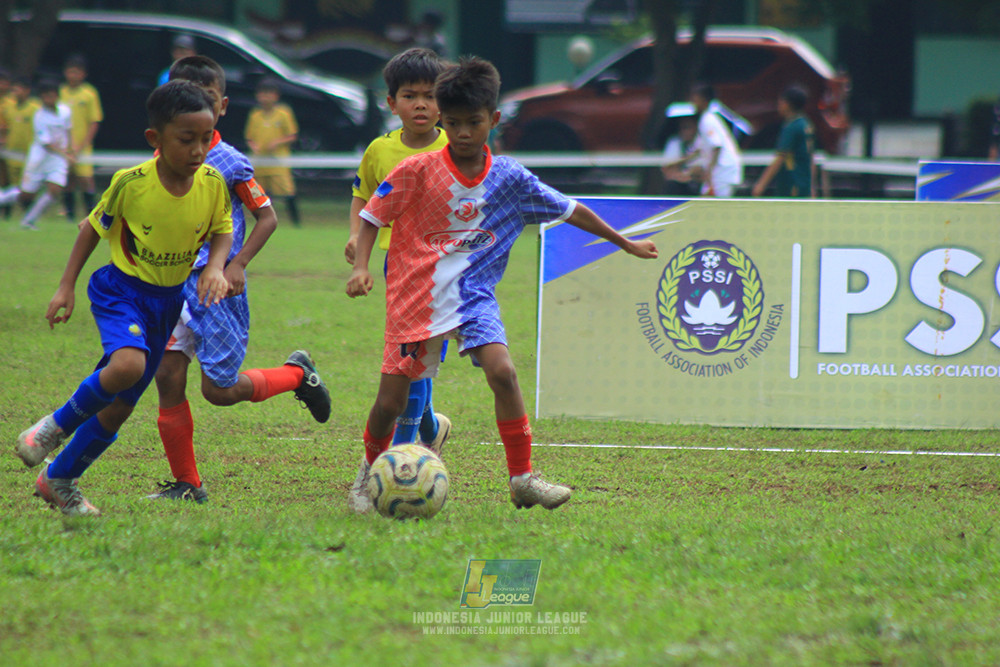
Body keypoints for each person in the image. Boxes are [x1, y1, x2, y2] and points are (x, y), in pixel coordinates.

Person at [345, 56, 659, 513]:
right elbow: (373, 213)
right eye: (452, 123)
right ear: (442, 121)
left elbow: (572, 209)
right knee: (390, 403)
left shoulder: (510, 178)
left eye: (474, 122)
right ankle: (366, 476)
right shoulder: (416, 170)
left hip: (474, 297)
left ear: (493, 119)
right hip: (416, 296)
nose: (464, 133)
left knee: (504, 373)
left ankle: (523, 479)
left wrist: (623, 242)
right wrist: (361, 267)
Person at [14, 80, 233, 516]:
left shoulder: (211, 183)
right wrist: (65, 286)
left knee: (119, 407)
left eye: (205, 139)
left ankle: (59, 479)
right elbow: (92, 229)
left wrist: (215, 267)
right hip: (122, 290)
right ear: (156, 139)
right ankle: (52, 427)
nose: (198, 150)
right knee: (128, 366)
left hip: (167, 301)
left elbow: (222, 230)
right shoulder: (130, 183)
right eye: (186, 139)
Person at [149, 56, 331, 504]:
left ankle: (296, 375)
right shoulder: (161, 157)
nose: (196, 106)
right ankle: (188, 485)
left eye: (206, 99)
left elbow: (266, 217)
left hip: (216, 288)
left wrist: (238, 263)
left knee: (219, 390)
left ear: (223, 106)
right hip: (170, 284)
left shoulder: (230, 162)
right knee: (168, 375)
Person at [344, 47, 452, 512]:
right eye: (411, 96)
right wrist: (357, 247)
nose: (422, 105)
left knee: (415, 361)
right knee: (409, 358)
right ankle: (429, 430)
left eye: (431, 96)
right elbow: (363, 198)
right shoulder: (380, 151)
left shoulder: (454, 148)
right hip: (399, 266)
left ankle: (396, 464)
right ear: (392, 103)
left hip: (449, 270)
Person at [0, 78, 73, 229]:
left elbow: (67, 130)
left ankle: (29, 221)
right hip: (39, 159)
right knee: (26, 194)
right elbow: (46, 144)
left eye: (52, 95)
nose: (49, 99)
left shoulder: (65, 111)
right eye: (46, 96)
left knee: (55, 189)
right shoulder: (40, 116)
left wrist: (70, 149)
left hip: (57, 159)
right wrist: (65, 154)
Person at [244, 77, 301, 226]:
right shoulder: (255, 114)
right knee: (259, 194)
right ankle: (264, 222)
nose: (265, 98)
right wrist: (253, 146)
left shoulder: (283, 113)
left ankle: (296, 223)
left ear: (276, 96)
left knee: (287, 192)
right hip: (260, 162)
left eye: (269, 94)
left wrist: (277, 142)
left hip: (278, 162)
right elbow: (249, 137)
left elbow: (293, 135)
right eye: (262, 94)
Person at [60, 54, 103, 222]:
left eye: (77, 72)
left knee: (86, 179)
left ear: (83, 74)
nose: (73, 76)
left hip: (83, 145)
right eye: (70, 72)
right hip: (64, 146)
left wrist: (84, 144)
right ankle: (69, 215)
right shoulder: (61, 92)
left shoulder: (89, 93)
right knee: (69, 179)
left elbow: (95, 121)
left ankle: (90, 215)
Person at [752, 85, 815, 198]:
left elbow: (780, 157)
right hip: (804, 182)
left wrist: (761, 184)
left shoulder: (791, 127)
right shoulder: (806, 124)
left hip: (792, 182)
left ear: (787, 104)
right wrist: (812, 186)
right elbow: (810, 157)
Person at [690, 82, 743, 197]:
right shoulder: (706, 119)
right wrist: (676, 164)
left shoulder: (708, 120)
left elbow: (717, 147)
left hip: (723, 171)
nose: (693, 102)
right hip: (719, 171)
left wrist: (709, 172)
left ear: (703, 100)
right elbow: (698, 151)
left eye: (695, 98)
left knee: (716, 207)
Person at [2, 77, 41, 201]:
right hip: (12, 152)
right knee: (12, 186)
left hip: (29, 153)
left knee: (28, 187)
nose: (15, 93)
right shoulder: (8, 107)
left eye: (18, 90)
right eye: (13, 90)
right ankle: (10, 213)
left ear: (27, 91)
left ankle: (28, 211)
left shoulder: (36, 107)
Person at [660, 102, 699, 196]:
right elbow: (667, 170)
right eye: (682, 128)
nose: (684, 131)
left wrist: (690, 174)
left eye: (688, 127)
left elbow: (701, 171)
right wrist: (688, 159)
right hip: (679, 185)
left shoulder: (701, 142)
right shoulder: (674, 142)